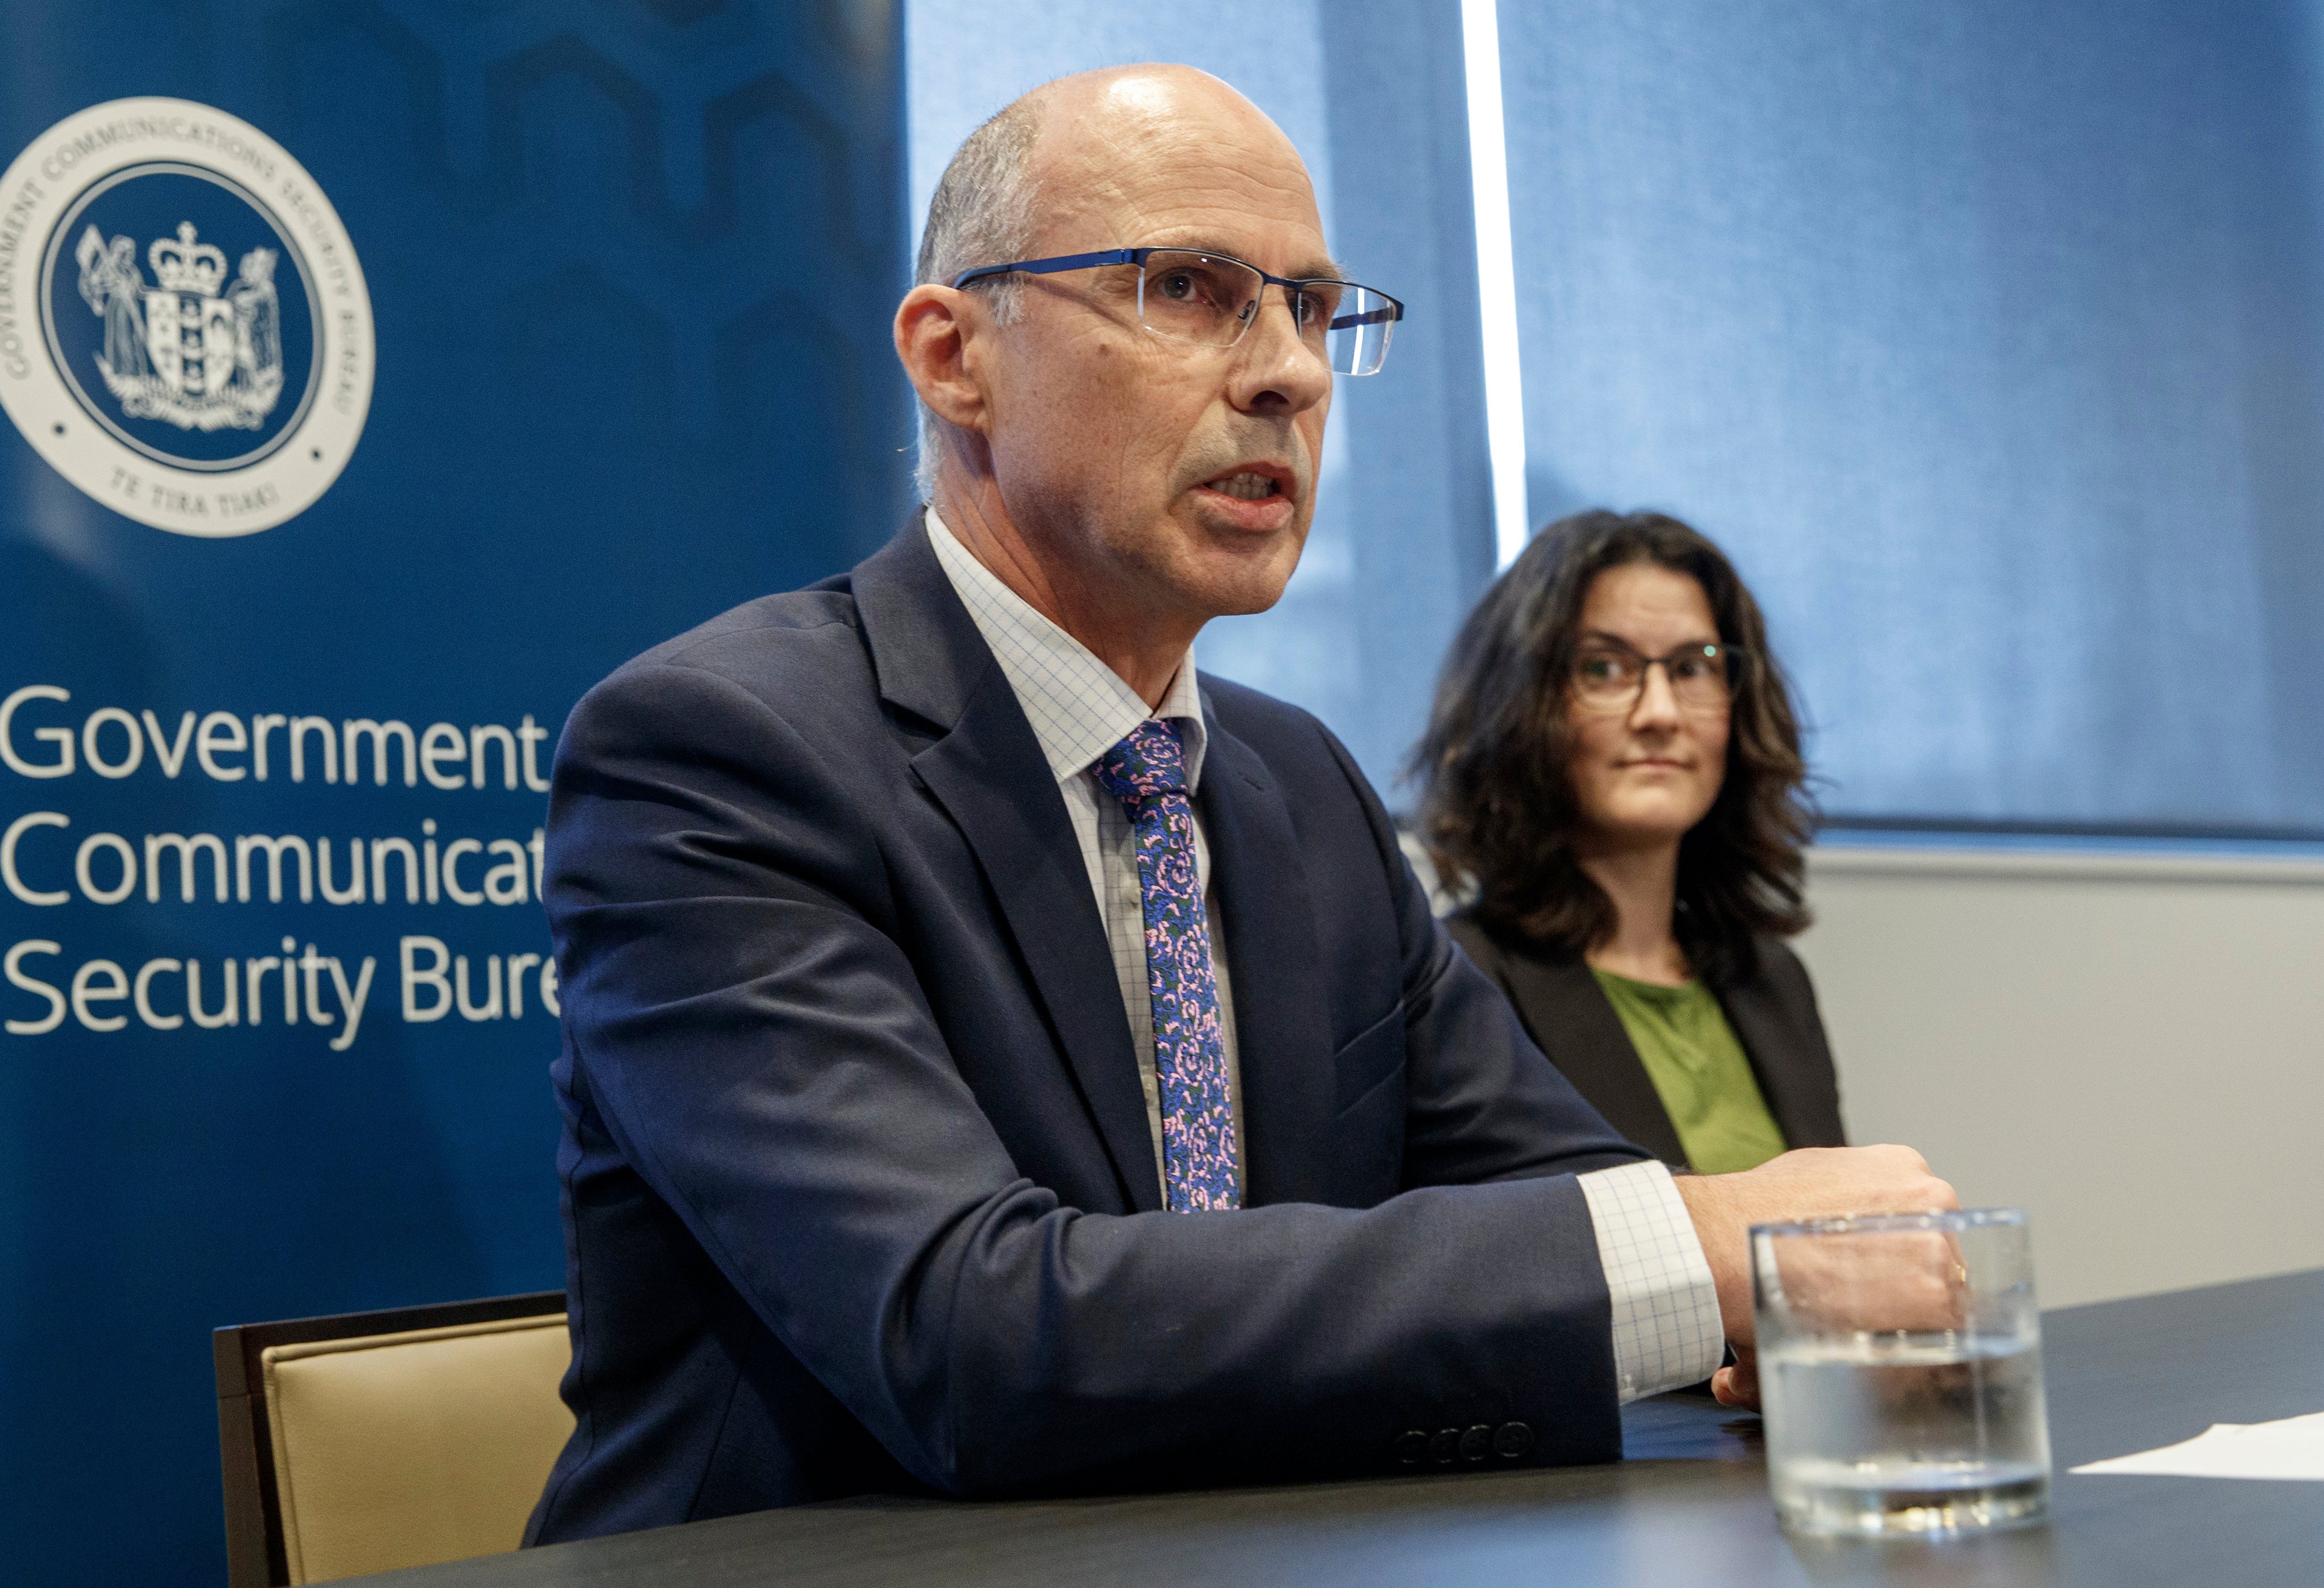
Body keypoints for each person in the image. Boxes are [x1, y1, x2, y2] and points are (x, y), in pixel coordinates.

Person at [525, 66, 1951, 1546]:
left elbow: (1563, 1193)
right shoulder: (718, 750)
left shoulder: (1301, 788)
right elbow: (965, 1331)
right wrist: (1707, 1241)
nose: (1291, 372)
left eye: (1313, 309)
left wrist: (1756, 1301)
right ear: (955, 355)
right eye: (1192, 288)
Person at [1414, 510, 1845, 1173]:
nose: (1659, 714)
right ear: (1519, 704)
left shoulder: (1771, 977)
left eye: (1692, 667)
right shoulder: (1459, 983)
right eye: (1604, 668)